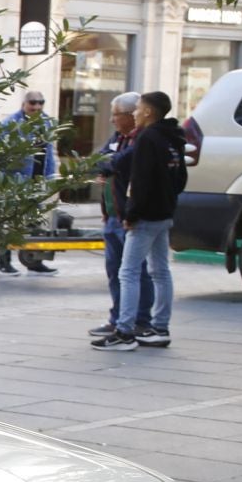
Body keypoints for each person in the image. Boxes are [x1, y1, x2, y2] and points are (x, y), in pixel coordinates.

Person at [93, 91, 185, 351]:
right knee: (160, 271)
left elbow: (140, 182)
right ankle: (160, 328)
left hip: (145, 216)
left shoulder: (147, 138)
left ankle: (125, 332)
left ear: (147, 112)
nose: (134, 114)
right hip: (164, 213)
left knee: (129, 272)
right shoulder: (173, 136)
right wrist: (168, 201)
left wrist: (131, 214)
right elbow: (180, 178)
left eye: (137, 109)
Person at [88, 93, 157, 341]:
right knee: (115, 270)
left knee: (135, 271)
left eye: (116, 115)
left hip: (129, 216)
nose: (112, 120)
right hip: (111, 215)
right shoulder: (118, 137)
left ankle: (140, 320)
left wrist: (110, 166)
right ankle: (117, 318)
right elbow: (98, 160)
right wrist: (107, 166)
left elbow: (117, 164)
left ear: (130, 115)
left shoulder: (141, 139)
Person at [0, 90, 59, 274]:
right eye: (33, 102)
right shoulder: (11, 123)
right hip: (15, 181)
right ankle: (4, 261)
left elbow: (49, 152)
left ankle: (34, 261)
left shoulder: (46, 122)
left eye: (41, 102)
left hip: (36, 181)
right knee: (8, 222)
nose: (37, 106)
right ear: (24, 103)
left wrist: (51, 177)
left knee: (34, 223)